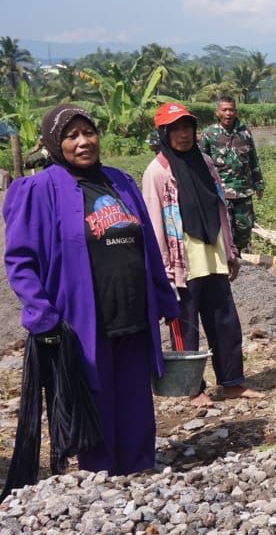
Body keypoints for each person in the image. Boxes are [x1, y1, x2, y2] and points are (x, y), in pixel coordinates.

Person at [3, 105, 180, 475]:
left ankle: (139, 470)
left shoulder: (121, 182)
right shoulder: (39, 190)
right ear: (54, 143)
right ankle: (100, 477)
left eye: (89, 132)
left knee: (134, 398)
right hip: (81, 319)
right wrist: (41, 314)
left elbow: (146, 244)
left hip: (131, 312)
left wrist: (164, 297)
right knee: (95, 399)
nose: (84, 142)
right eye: (72, 135)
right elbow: (20, 260)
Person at [142, 102, 262, 405]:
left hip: (213, 252)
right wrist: (163, 269)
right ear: (163, 133)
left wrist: (231, 250)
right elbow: (155, 224)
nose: (183, 135)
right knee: (186, 324)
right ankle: (192, 388)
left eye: (187, 128)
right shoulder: (157, 172)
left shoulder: (206, 162)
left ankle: (232, 381)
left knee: (225, 320)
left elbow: (220, 208)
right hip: (182, 260)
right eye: (176, 129)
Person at [199, 96, 264, 253]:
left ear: (236, 111)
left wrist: (259, 183)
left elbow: (253, 159)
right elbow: (201, 164)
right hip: (221, 194)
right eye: (224, 110)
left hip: (244, 192)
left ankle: (244, 263)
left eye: (231, 110)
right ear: (217, 112)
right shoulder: (209, 134)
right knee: (226, 231)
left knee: (245, 229)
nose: (228, 113)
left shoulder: (245, 133)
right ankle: (228, 263)